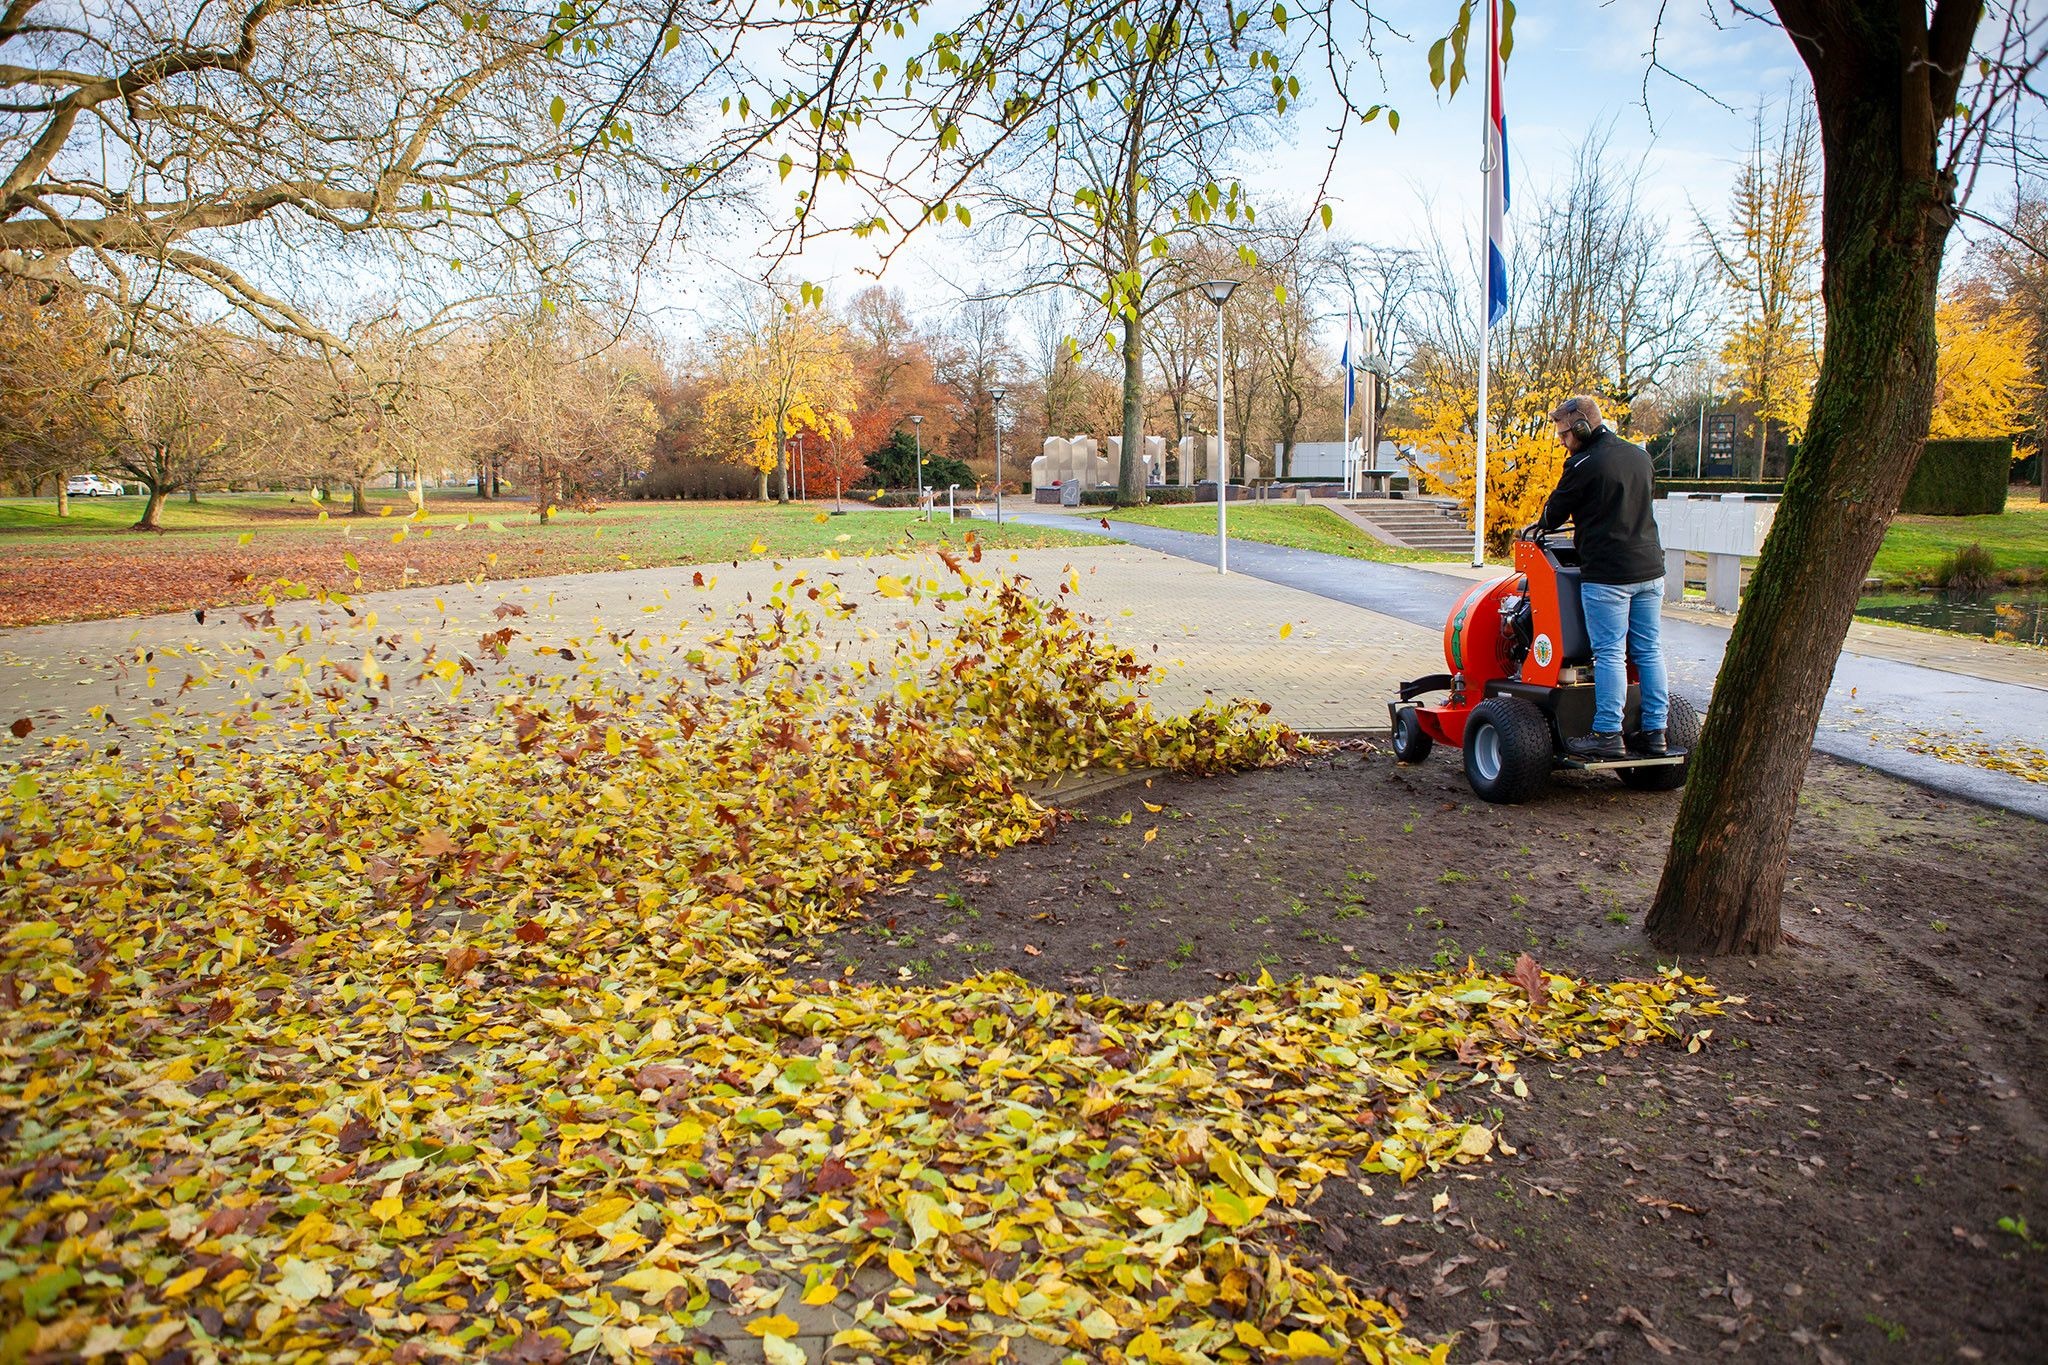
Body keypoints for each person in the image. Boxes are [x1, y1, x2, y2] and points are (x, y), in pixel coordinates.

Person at [1530, 395, 1670, 760]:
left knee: (1609, 652)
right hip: (1651, 570)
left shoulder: (1583, 465)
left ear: (1581, 427)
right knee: (1648, 650)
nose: (1562, 441)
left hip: (1609, 576)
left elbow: (1553, 516)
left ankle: (1608, 732)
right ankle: (1655, 732)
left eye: (1564, 434)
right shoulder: (1639, 455)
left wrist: (1540, 523)